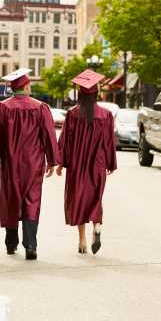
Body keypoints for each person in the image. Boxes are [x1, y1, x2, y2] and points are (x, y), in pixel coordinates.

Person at [0, 68, 59, 260]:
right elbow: (49, 135)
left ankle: (11, 244)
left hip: (10, 163)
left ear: (13, 88)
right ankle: (31, 246)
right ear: (27, 86)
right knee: (31, 201)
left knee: (11, 200)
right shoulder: (41, 107)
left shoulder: (1, 108)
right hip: (34, 163)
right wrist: (52, 160)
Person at [57, 70, 117, 255]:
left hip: (77, 165)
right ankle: (97, 226)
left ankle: (82, 240)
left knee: (79, 199)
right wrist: (110, 163)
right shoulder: (105, 115)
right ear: (97, 93)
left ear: (80, 93)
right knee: (95, 199)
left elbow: (65, 140)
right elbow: (109, 141)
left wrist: (60, 162)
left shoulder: (73, 114)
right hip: (97, 165)